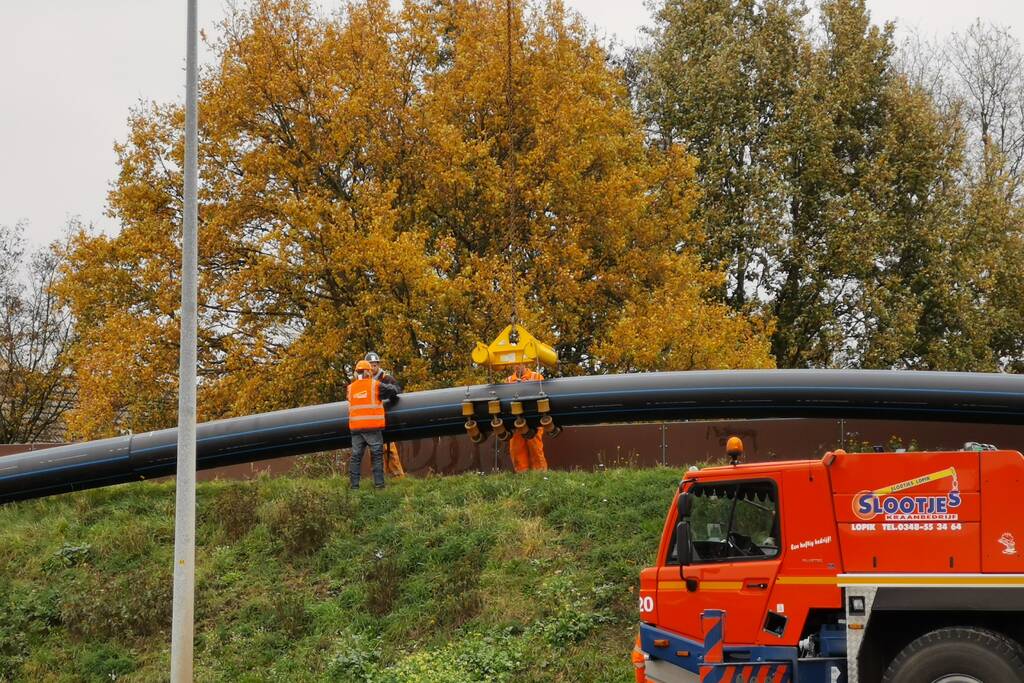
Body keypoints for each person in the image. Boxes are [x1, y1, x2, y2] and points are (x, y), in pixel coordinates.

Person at [347, 359, 400, 489]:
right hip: (372, 427)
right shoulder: (375, 385)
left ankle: (354, 487)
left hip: (356, 428)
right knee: (377, 456)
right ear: (368, 372)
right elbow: (393, 390)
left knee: (356, 458)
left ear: (356, 373)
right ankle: (379, 486)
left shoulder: (350, 388)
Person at [365, 351, 405, 478]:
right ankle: (379, 478)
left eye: (375, 364)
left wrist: (385, 391)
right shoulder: (364, 382)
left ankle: (398, 477)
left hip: (387, 419)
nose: (373, 367)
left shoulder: (387, 379)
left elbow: (398, 391)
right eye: (370, 365)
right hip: (372, 421)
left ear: (378, 365)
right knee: (375, 451)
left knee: (390, 449)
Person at [506, 362, 548, 472]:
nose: (517, 366)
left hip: (534, 419)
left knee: (535, 446)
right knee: (516, 448)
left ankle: (540, 474)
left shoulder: (536, 377)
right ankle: (522, 474)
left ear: (524, 364)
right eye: (514, 364)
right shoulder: (509, 380)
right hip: (516, 419)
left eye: (519, 364)